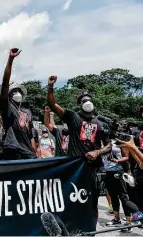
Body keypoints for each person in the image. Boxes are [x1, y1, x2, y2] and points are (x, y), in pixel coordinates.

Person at [47, 77, 112, 228]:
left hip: (93, 170)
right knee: (71, 202)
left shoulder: (101, 123)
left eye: (89, 99)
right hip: (74, 169)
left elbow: (109, 145)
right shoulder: (73, 118)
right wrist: (50, 87)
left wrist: (98, 152)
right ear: (80, 105)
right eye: (83, 100)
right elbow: (53, 104)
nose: (87, 101)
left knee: (92, 204)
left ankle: (92, 230)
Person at [0, 48, 37, 160]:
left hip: (28, 151)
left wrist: (34, 152)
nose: (17, 93)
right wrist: (10, 60)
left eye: (19, 91)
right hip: (12, 148)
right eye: (14, 91)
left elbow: (31, 134)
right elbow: (5, 83)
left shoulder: (28, 112)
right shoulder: (7, 107)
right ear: (9, 95)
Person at [102, 142, 132, 230]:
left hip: (118, 172)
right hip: (107, 172)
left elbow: (127, 156)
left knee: (123, 197)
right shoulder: (103, 140)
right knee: (113, 196)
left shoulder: (119, 141)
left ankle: (128, 222)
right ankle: (116, 219)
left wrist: (117, 160)